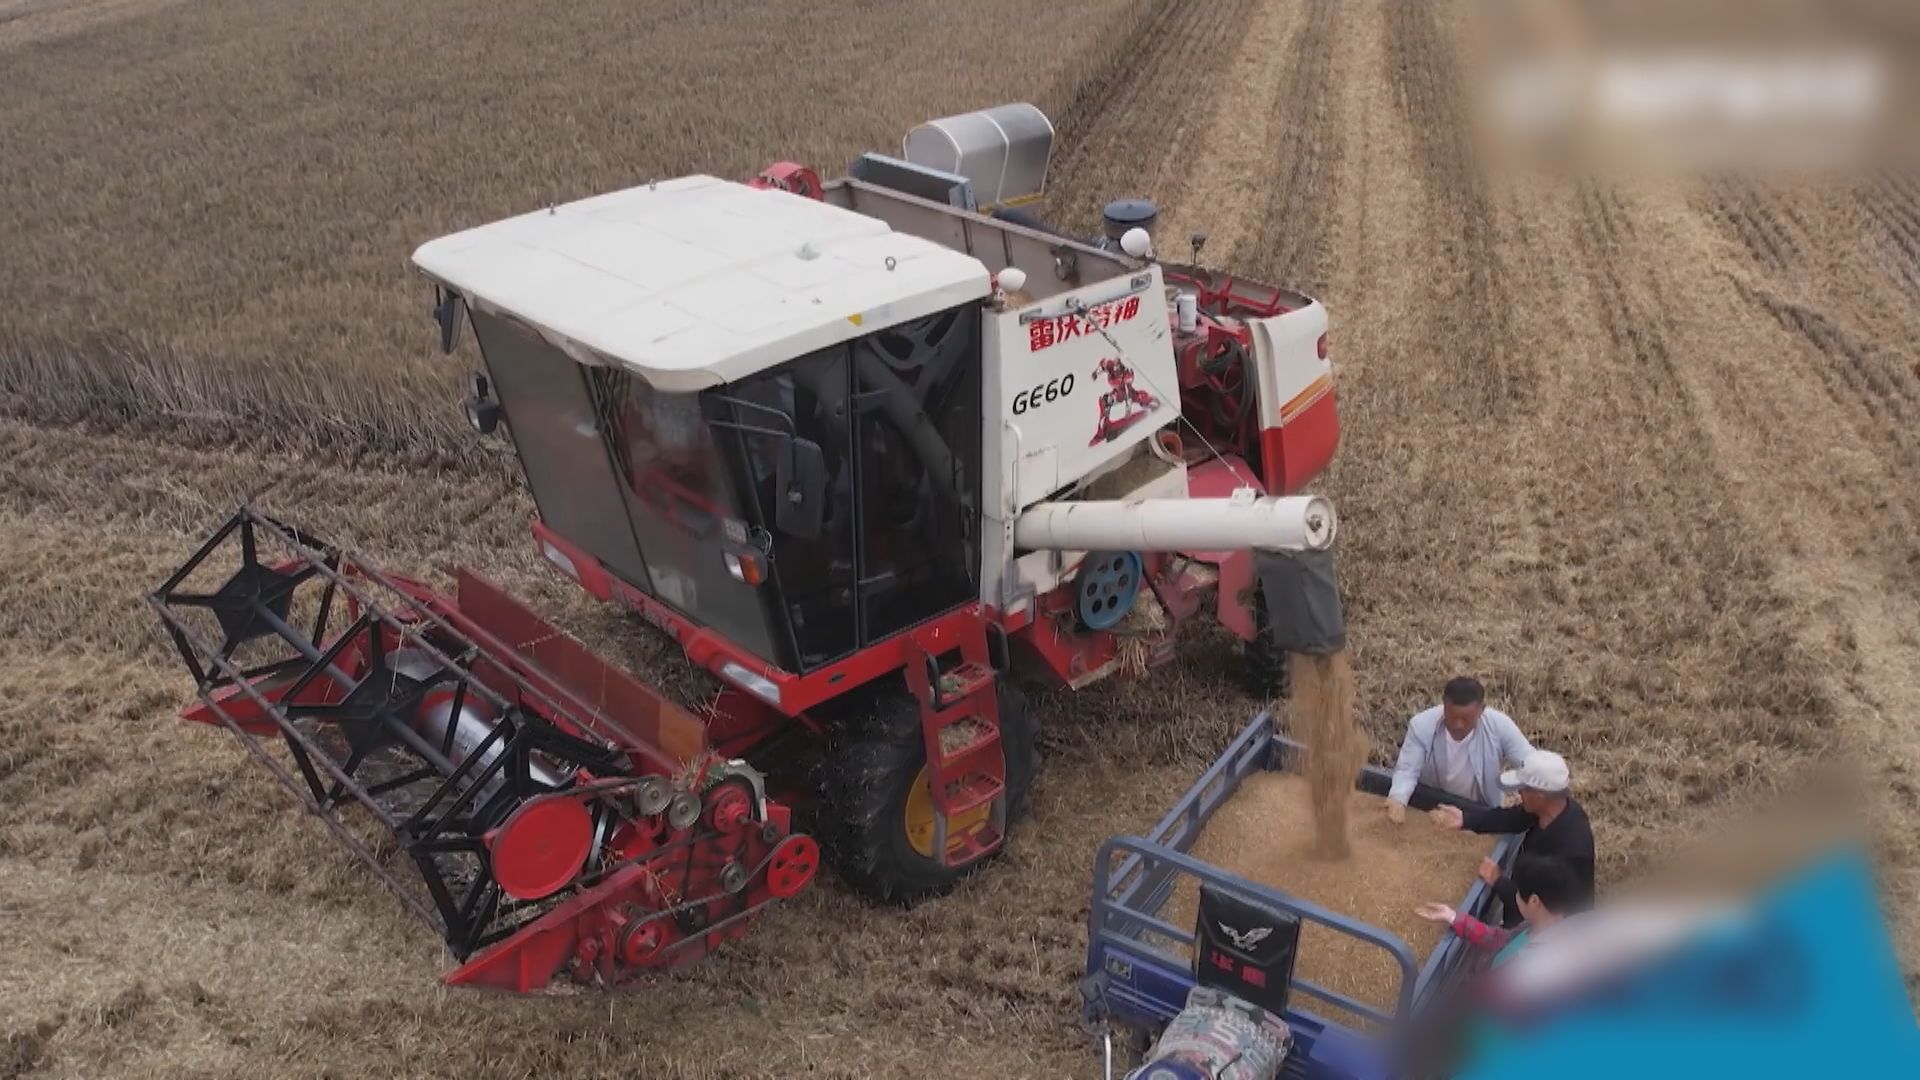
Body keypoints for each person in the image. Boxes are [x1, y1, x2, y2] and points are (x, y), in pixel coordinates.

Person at [1429, 750, 1596, 927]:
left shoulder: (1572, 850)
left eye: (1523, 788)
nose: (1518, 793)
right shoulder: (1550, 809)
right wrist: (1466, 819)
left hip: (1549, 936)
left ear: (1540, 795)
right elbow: (1512, 818)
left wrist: (1498, 881)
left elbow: (1537, 909)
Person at [1385, 677, 1534, 822]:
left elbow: (1531, 762)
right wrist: (1398, 799)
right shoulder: (1422, 726)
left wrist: (1528, 790)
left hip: (1478, 811)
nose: (1458, 725)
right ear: (1444, 705)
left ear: (1481, 710)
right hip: (1431, 807)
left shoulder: (1500, 726)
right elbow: (1408, 769)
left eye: (1466, 719)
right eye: (1452, 716)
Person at [1415, 853, 1582, 963]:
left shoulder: (1538, 963)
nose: (1515, 894)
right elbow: (1499, 939)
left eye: (1518, 891)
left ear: (1534, 901)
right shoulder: (1534, 927)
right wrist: (1452, 916)